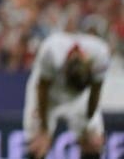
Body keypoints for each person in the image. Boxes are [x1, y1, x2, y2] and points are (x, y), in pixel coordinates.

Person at [23, 28, 110, 159]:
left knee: (93, 144)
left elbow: (95, 92)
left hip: (81, 98)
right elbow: (42, 90)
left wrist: (88, 123)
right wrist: (44, 128)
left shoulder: (100, 54)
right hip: (49, 95)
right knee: (37, 147)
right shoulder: (51, 52)